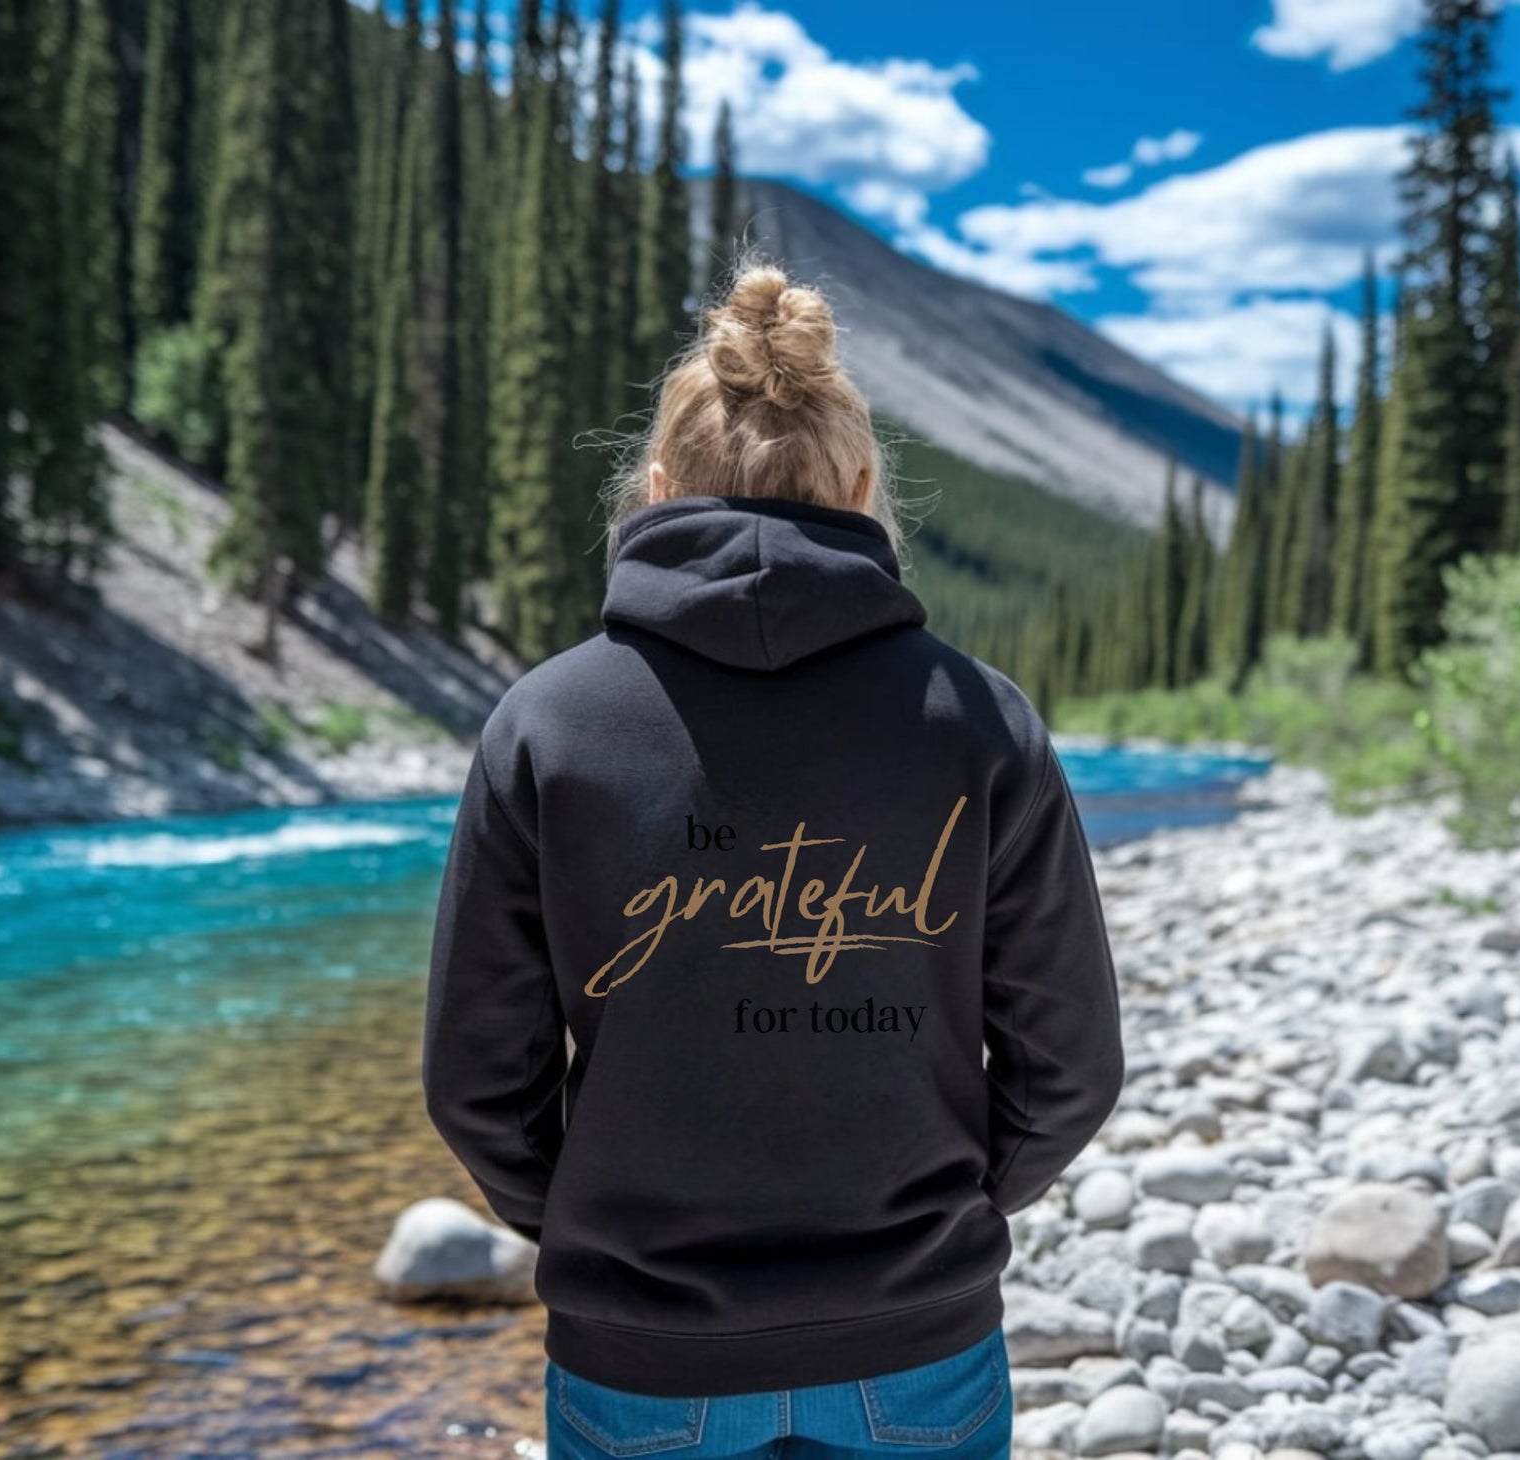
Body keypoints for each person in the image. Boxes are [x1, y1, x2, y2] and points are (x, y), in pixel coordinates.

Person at [422, 251, 1125, 1459]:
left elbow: (476, 1077)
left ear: (654, 484)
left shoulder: (545, 722)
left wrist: (595, 1232)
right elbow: (1069, 1062)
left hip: (638, 1360)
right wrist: (941, 1217)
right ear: (860, 485)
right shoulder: (981, 718)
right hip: (919, 1347)